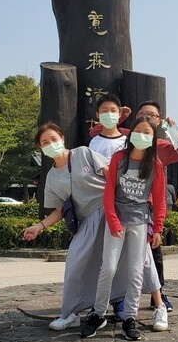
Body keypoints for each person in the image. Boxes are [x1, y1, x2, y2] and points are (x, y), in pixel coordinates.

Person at [22, 122, 161, 330]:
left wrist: (131, 201)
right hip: (89, 220)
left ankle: (159, 305)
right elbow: (60, 210)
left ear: (62, 138)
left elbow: (110, 173)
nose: (51, 144)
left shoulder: (83, 153)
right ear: (40, 148)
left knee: (142, 260)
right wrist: (39, 226)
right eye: (45, 142)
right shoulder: (51, 177)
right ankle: (72, 313)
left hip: (113, 210)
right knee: (77, 260)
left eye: (53, 139)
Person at [90, 99, 178, 312]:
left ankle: (158, 297)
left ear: (159, 120)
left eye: (153, 115)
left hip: (146, 207)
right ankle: (114, 302)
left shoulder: (161, 146)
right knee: (115, 260)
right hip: (120, 206)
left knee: (152, 255)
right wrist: (121, 115)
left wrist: (173, 131)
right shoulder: (128, 135)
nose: (146, 117)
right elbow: (96, 132)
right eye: (142, 113)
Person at [82, 116, 167, 341]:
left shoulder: (155, 165)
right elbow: (109, 192)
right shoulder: (119, 158)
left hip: (140, 222)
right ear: (130, 135)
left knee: (135, 272)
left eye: (147, 133)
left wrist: (157, 227)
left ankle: (129, 318)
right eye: (138, 131)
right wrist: (113, 220)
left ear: (153, 138)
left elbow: (159, 200)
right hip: (117, 221)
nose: (142, 135)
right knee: (108, 267)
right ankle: (98, 313)